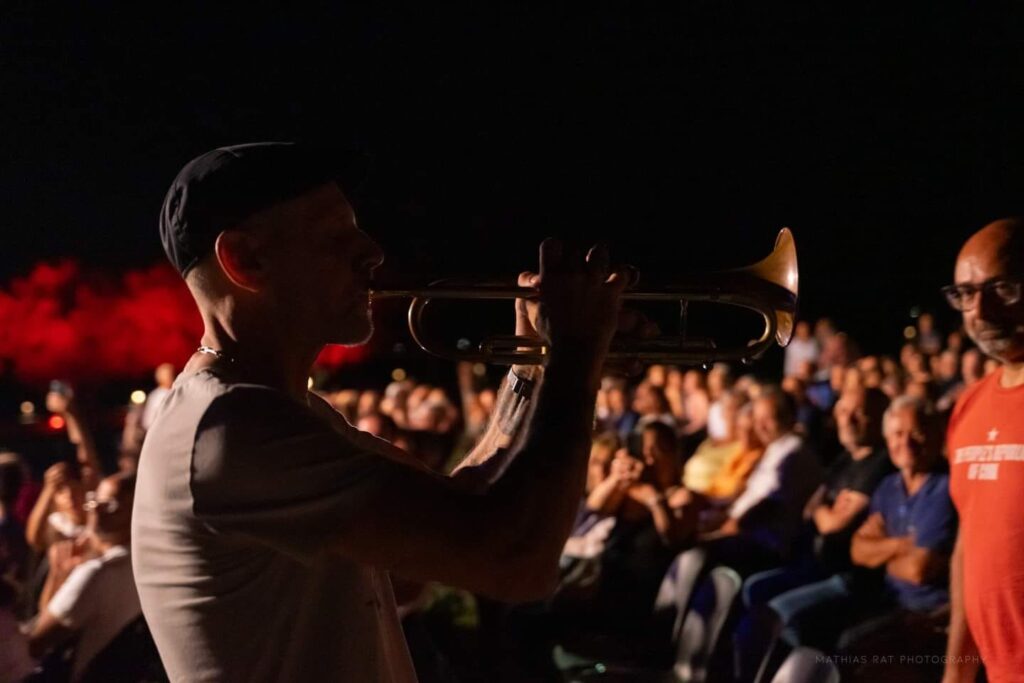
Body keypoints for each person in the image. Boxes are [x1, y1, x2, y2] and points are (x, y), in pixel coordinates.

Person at [131, 142, 630, 682]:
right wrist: (577, 353)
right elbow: (517, 561)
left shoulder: (281, 412)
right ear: (245, 261)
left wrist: (529, 366)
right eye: (335, 237)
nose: (372, 253)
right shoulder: (231, 426)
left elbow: (464, 503)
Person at [943, 218, 1024, 683]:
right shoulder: (968, 406)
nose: (980, 309)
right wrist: (957, 671)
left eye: (1002, 288)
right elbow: (967, 546)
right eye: (965, 293)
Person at [29, 472, 144, 682]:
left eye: (110, 504)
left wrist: (57, 576)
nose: (96, 509)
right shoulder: (144, 564)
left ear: (136, 513)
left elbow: (36, 642)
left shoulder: (97, 573)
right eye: (95, 500)